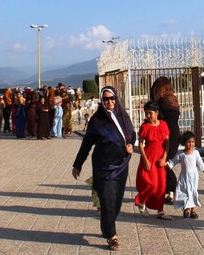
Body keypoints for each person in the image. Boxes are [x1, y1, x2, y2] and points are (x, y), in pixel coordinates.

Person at [72, 86, 136, 252]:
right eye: (106, 99)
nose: (110, 102)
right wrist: (77, 164)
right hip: (103, 168)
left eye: (112, 98)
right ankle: (111, 235)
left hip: (121, 166)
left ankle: (107, 224)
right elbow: (86, 144)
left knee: (116, 204)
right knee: (107, 201)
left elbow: (132, 134)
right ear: (102, 101)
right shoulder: (96, 121)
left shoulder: (123, 117)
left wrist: (131, 144)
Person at [135, 101, 171, 220]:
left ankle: (160, 211)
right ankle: (141, 202)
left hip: (160, 158)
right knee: (151, 184)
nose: (148, 116)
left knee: (161, 185)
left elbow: (167, 143)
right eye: (146, 113)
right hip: (149, 157)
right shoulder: (144, 127)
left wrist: (164, 157)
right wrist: (145, 160)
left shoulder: (164, 125)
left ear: (157, 113)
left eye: (150, 113)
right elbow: (140, 144)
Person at [160, 131, 204, 219]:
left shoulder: (196, 153)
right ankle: (186, 208)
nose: (191, 144)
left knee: (193, 192)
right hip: (184, 177)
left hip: (194, 177)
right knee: (184, 192)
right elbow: (172, 162)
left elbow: (200, 163)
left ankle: (193, 211)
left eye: (193, 142)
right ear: (184, 143)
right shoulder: (181, 154)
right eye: (189, 142)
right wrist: (165, 164)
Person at [151, 76, 181, 202]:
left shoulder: (162, 103)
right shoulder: (173, 100)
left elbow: (159, 120)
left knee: (163, 163)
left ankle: (173, 189)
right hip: (175, 135)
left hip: (167, 136)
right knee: (164, 163)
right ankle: (169, 191)